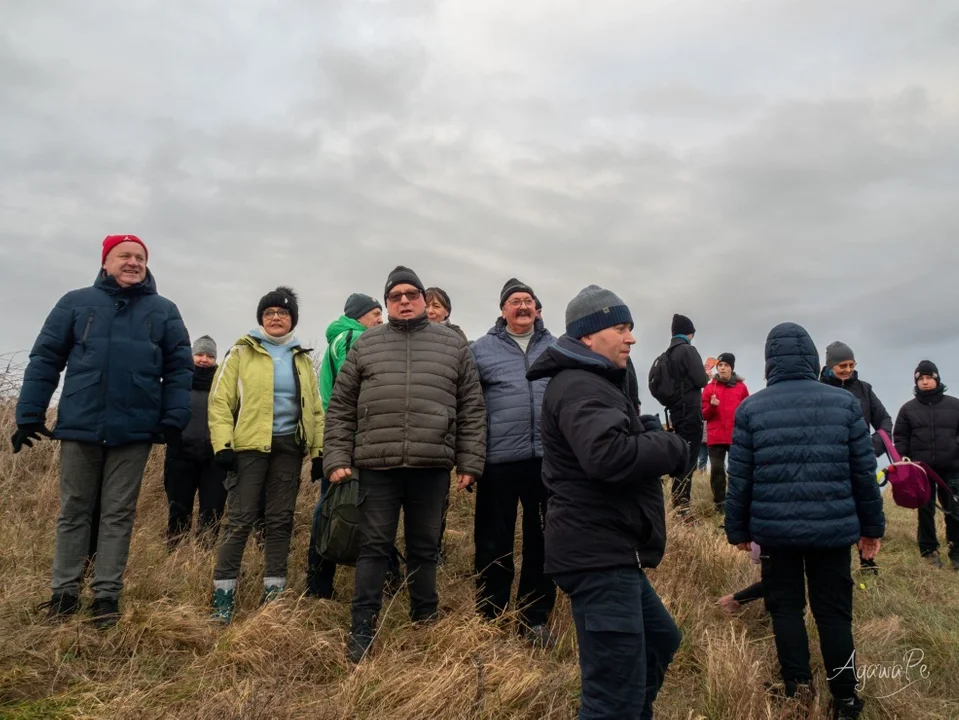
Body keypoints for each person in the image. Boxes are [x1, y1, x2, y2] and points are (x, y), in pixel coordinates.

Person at [12, 235, 192, 629]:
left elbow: (179, 369)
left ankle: (107, 598)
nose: (133, 262)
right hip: (81, 424)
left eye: (140, 257)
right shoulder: (75, 303)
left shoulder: (164, 311)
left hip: (135, 429)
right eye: (124, 256)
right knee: (74, 511)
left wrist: (173, 417)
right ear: (106, 262)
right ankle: (64, 594)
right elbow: (45, 358)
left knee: (118, 514)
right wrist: (28, 413)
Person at [527, 285, 689, 720]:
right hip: (597, 554)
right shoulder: (580, 384)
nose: (631, 338)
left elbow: (611, 440)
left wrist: (642, 430)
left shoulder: (592, 382)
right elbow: (607, 456)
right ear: (587, 337)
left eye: (631, 328)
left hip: (611, 550)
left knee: (660, 641)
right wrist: (672, 448)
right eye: (620, 328)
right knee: (610, 695)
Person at [323, 266, 487, 663]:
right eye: (395, 296)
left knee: (424, 548)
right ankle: (362, 628)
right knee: (374, 547)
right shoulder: (366, 345)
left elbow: (471, 407)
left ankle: (425, 620)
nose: (404, 301)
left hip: (431, 465)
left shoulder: (452, 345)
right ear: (387, 303)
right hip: (377, 466)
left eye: (411, 294)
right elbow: (341, 407)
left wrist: (470, 460)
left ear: (423, 299)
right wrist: (337, 456)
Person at [725, 322, 884, 720]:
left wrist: (739, 530)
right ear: (813, 359)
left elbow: (739, 478)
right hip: (832, 531)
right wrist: (871, 529)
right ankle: (846, 700)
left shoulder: (751, 408)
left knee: (786, 611)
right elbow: (863, 473)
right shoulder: (843, 404)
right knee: (834, 614)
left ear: (769, 362)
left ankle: (797, 691)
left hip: (776, 532)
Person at [208, 287, 324, 623]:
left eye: (283, 313)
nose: (276, 317)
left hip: (289, 449)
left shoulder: (301, 357)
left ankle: (275, 594)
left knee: (280, 520)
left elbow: (314, 408)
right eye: (269, 313)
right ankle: (223, 598)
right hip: (247, 450)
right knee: (239, 520)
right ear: (261, 318)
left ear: (292, 320)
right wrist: (223, 446)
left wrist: (318, 452)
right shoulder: (241, 352)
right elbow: (220, 402)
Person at [470, 278, 556, 645]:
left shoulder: (558, 348)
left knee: (543, 542)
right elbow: (470, 407)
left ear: (538, 308)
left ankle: (534, 619)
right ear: (502, 309)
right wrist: (470, 460)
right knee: (493, 541)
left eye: (529, 301)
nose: (522, 307)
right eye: (515, 301)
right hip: (498, 462)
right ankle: (490, 614)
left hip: (548, 463)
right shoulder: (480, 350)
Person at [306, 292, 392, 599]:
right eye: (375, 316)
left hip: (341, 437)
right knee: (341, 509)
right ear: (359, 317)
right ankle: (319, 584)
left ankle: (320, 585)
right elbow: (358, 386)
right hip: (353, 439)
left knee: (335, 508)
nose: (380, 322)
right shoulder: (353, 338)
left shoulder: (339, 338)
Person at [820, 341, 893, 573]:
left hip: (861, 461)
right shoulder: (818, 388)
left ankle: (867, 561)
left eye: (852, 364)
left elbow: (884, 421)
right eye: (843, 365)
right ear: (830, 365)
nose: (848, 369)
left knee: (865, 507)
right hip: (830, 463)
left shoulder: (864, 389)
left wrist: (871, 447)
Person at [163, 335, 227, 549]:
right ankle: (175, 554)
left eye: (209, 356)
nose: (204, 359)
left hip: (214, 458)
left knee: (212, 511)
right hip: (180, 454)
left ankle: (204, 555)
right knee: (178, 508)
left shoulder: (223, 383)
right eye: (199, 354)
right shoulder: (178, 382)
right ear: (192, 355)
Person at [893, 360, 959, 570]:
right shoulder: (908, 409)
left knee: (955, 509)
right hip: (921, 470)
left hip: (952, 466)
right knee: (925, 509)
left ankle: (956, 550)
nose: (925, 382)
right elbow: (900, 437)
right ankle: (929, 550)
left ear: (937, 378)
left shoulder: (955, 405)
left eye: (929, 377)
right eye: (921, 378)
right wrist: (903, 458)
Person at [657, 314, 709, 515]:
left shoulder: (667, 354)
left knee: (680, 456)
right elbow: (701, 380)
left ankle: (677, 503)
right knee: (689, 460)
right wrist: (705, 374)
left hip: (674, 413)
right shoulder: (688, 350)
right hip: (690, 412)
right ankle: (682, 507)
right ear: (691, 333)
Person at [701, 353, 749, 513]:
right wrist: (712, 406)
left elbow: (747, 410)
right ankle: (719, 504)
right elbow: (704, 415)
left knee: (737, 470)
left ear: (731, 368)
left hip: (735, 436)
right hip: (715, 437)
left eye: (726, 365)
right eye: (720, 365)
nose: (722, 368)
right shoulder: (709, 388)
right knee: (717, 470)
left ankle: (737, 501)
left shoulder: (741, 387)